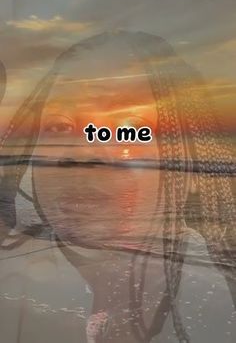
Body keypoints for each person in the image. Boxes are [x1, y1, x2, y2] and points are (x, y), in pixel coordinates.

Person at [0, 31, 235, 343]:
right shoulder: (12, 282)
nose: (84, 153)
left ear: (192, 166)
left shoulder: (218, 304)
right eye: (59, 126)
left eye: (130, 128)